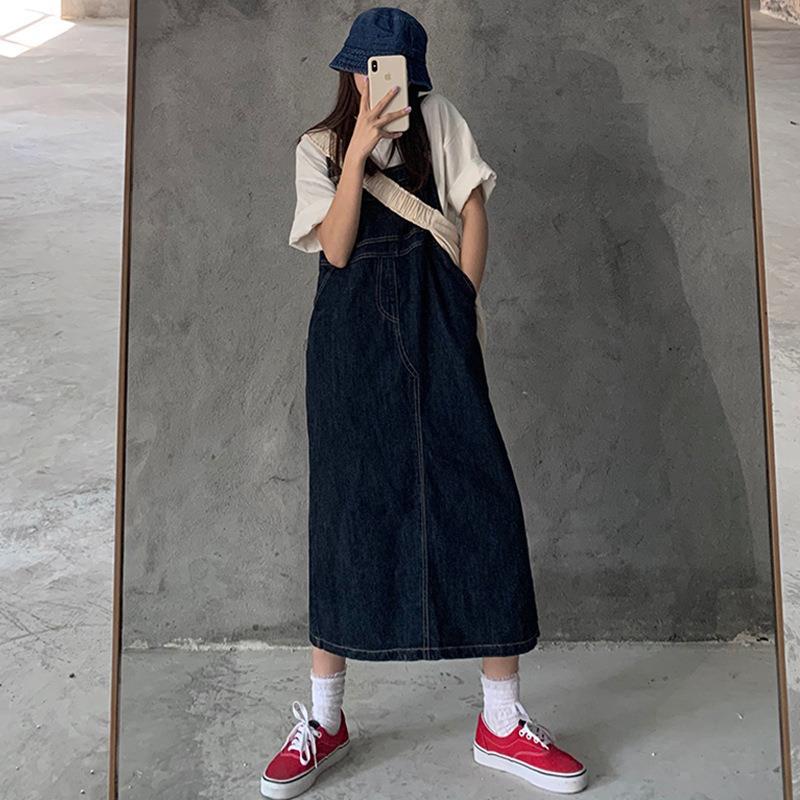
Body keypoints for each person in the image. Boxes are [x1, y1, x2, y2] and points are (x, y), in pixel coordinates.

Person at [260, 7, 588, 797]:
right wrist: (357, 156)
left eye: (398, 71)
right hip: (349, 343)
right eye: (371, 69)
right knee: (347, 510)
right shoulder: (317, 147)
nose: (385, 85)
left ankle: (500, 721)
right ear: (351, 71)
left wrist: (459, 305)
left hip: (437, 325)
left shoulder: (440, 120)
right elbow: (336, 247)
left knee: (480, 500)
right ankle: (326, 718)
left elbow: (474, 209)